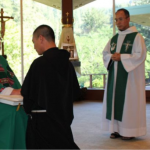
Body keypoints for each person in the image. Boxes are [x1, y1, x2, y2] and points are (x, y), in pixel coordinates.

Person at [21, 25, 80, 150]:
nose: (34, 46)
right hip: (63, 120)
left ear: (41, 38)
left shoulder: (39, 64)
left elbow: (28, 95)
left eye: (34, 41)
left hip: (42, 125)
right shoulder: (68, 64)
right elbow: (75, 93)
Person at [101, 8, 146, 140]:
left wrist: (122, 58)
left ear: (128, 19)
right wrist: (112, 57)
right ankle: (115, 129)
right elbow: (105, 54)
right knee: (114, 101)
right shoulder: (114, 38)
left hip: (130, 79)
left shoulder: (137, 37)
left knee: (128, 103)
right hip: (114, 78)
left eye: (120, 19)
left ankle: (129, 131)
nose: (118, 22)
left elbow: (140, 55)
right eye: (116, 20)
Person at [0, 55, 28, 150]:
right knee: (12, 113)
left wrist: (21, 91)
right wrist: (11, 92)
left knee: (23, 111)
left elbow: (13, 80)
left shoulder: (2, 59)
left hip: (6, 99)